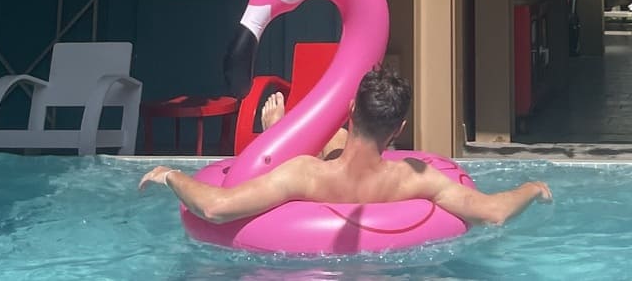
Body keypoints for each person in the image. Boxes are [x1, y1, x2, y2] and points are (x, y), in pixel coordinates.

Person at [138, 65, 552, 226]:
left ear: (351, 108)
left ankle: (277, 131)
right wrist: (530, 187)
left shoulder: (304, 173)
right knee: (333, 146)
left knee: (330, 147)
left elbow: (215, 208)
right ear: (399, 129)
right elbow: (495, 213)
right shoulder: (415, 181)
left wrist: (171, 174)